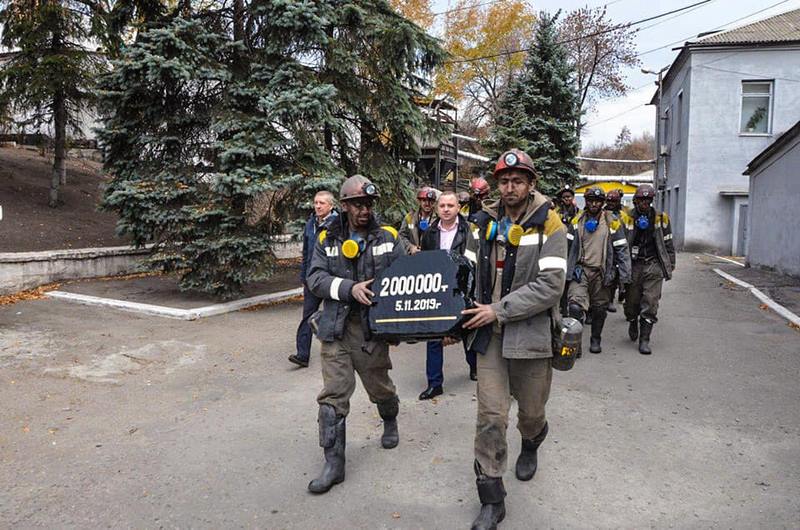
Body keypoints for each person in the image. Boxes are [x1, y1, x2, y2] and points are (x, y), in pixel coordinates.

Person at [458, 148, 567, 530]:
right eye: (503, 181)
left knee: (531, 413)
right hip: (489, 338)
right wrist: (452, 317)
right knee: (490, 416)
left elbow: (551, 286)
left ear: (530, 183)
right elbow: (466, 272)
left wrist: (499, 309)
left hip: (532, 336)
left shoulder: (551, 225)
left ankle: (533, 440)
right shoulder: (482, 221)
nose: (509, 187)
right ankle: (492, 499)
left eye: (517, 181)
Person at [305, 175, 404, 494]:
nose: (365, 210)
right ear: (345, 207)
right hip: (335, 328)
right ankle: (334, 464)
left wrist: (402, 323)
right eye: (358, 204)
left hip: (371, 331)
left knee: (381, 388)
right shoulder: (327, 238)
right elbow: (315, 278)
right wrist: (349, 289)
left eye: (369, 204)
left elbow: (407, 280)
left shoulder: (388, 237)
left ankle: (389, 418)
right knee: (332, 397)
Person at [419, 191, 477, 400]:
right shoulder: (430, 233)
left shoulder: (469, 231)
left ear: (458, 208)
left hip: (461, 288)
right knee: (434, 335)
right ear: (437, 208)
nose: (445, 209)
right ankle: (434, 383)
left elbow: (475, 263)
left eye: (450, 206)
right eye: (442, 205)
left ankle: (475, 366)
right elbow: (424, 262)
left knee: (466, 330)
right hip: (437, 290)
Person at [565, 187, 631, 354]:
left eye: (597, 201)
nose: (594, 204)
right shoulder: (576, 222)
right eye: (590, 201)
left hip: (602, 272)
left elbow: (622, 249)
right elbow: (566, 247)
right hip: (580, 271)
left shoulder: (612, 222)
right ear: (585, 202)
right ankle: (576, 343)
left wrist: (625, 276)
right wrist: (564, 270)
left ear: (602, 203)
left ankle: (596, 339)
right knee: (574, 307)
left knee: (599, 309)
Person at [620, 184, 676, 354]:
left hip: (653, 264)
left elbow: (668, 242)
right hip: (633, 265)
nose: (645, 203)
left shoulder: (661, 218)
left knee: (651, 302)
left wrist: (670, 263)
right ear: (636, 201)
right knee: (632, 302)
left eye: (648, 200)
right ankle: (632, 320)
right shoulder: (626, 218)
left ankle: (644, 340)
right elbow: (619, 244)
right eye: (642, 200)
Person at [289, 191, 338, 368]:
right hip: (312, 278)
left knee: (335, 315)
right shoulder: (310, 223)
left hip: (331, 279)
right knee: (307, 316)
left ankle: (338, 353)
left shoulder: (338, 225)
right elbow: (306, 252)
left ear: (331, 206)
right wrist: (304, 276)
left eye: (322, 203)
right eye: (316, 203)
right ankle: (302, 355)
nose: (317, 206)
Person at [603, 189, 625, 313]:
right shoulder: (603, 213)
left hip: (619, 245)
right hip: (605, 246)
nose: (611, 203)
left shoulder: (624, 214)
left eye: (614, 201)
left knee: (616, 275)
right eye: (609, 201)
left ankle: (611, 299)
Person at [399, 186, 437, 254]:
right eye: (424, 200)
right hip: (413, 257)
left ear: (434, 202)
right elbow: (401, 236)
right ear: (419, 201)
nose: (427, 204)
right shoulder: (410, 218)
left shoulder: (438, 219)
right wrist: (410, 247)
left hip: (431, 256)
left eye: (430, 201)